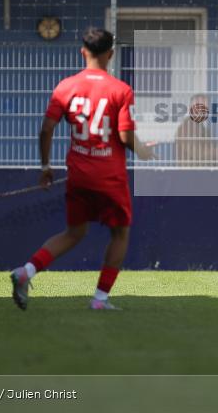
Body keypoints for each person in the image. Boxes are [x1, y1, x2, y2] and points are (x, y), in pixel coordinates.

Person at [9, 27, 155, 311]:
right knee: (120, 234)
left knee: (74, 232)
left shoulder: (65, 87)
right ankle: (100, 299)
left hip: (78, 174)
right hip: (109, 176)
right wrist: (144, 151)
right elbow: (125, 137)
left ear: (83, 51)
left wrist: (45, 166)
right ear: (111, 54)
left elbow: (46, 129)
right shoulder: (120, 90)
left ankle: (25, 271)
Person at [174, 94, 218, 166]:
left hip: (206, 171)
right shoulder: (185, 129)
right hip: (192, 173)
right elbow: (198, 153)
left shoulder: (204, 130)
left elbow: (212, 149)